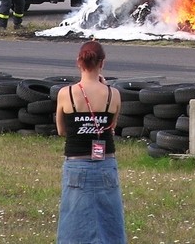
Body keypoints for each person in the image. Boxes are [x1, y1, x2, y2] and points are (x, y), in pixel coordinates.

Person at [55, 40, 126, 244]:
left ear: (79, 62)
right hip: (105, 163)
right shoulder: (113, 94)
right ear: (102, 64)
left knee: (73, 220)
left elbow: (62, 131)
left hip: (76, 163)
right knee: (109, 220)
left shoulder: (65, 94)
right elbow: (111, 127)